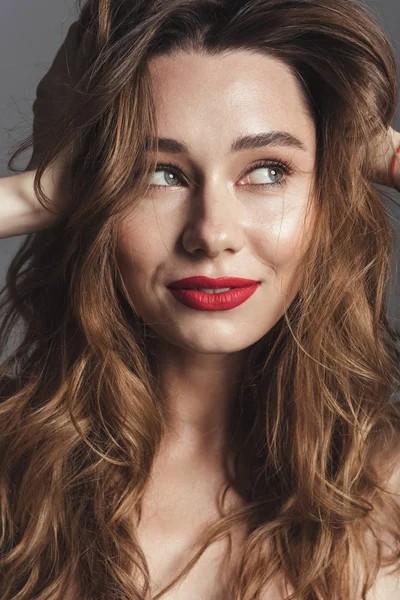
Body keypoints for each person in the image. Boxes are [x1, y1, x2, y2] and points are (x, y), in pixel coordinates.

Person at [0, 1, 400, 598]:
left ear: (329, 194)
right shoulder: (14, 473)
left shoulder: (388, 484)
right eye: (159, 174)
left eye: (268, 170)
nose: (212, 233)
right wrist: (35, 195)